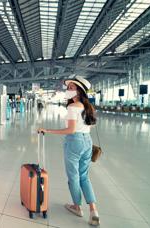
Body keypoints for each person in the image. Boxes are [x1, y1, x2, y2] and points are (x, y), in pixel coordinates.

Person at [37, 76, 100, 226]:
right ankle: (93, 211)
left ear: (79, 91)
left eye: (71, 87)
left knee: (74, 176)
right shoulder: (88, 107)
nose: (68, 90)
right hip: (87, 141)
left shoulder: (73, 107)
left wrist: (47, 130)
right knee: (84, 176)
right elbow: (89, 126)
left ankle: (77, 207)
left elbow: (70, 130)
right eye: (68, 87)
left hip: (75, 142)